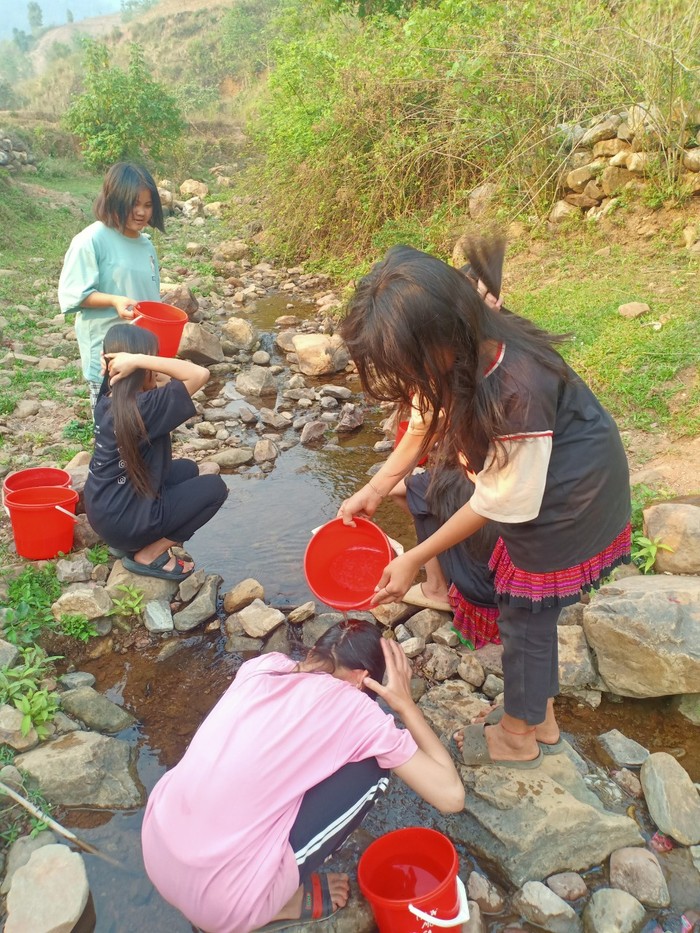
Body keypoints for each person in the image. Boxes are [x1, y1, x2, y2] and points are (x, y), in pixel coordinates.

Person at [338, 240, 631, 769]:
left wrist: (412, 557)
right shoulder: (458, 343)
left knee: (525, 616)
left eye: (406, 364)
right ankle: (540, 719)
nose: (407, 379)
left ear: (439, 339)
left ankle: (518, 734)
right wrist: (378, 487)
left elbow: (497, 502)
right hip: (542, 481)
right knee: (530, 618)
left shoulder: (516, 388)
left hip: (570, 497)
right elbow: (425, 418)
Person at [141, 620, 465, 933]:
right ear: (363, 678)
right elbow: (451, 797)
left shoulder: (263, 667)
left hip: (156, 845)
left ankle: (252, 877)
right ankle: (277, 902)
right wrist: (406, 705)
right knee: (374, 767)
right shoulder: (357, 710)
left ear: (313, 653)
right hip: (223, 906)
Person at [84, 324, 228, 582]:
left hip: (104, 511)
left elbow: (163, 381)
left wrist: (136, 364)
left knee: (187, 469)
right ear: (139, 369)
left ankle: (126, 542)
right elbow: (199, 374)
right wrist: (140, 359)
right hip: (125, 522)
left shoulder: (109, 398)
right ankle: (149, 554)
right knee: (215, 488)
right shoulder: (144, 408)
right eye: (153, 361)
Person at [58, 162, 164, 408]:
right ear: (115, 199)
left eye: (148, 205)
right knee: (112, 433)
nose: (141, 212)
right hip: (110, 357)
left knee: (146, 429)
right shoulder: (91, 240)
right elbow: (74, 294)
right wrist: (114, 300)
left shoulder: (146, 245)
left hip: (143, 355)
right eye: (134, 204)